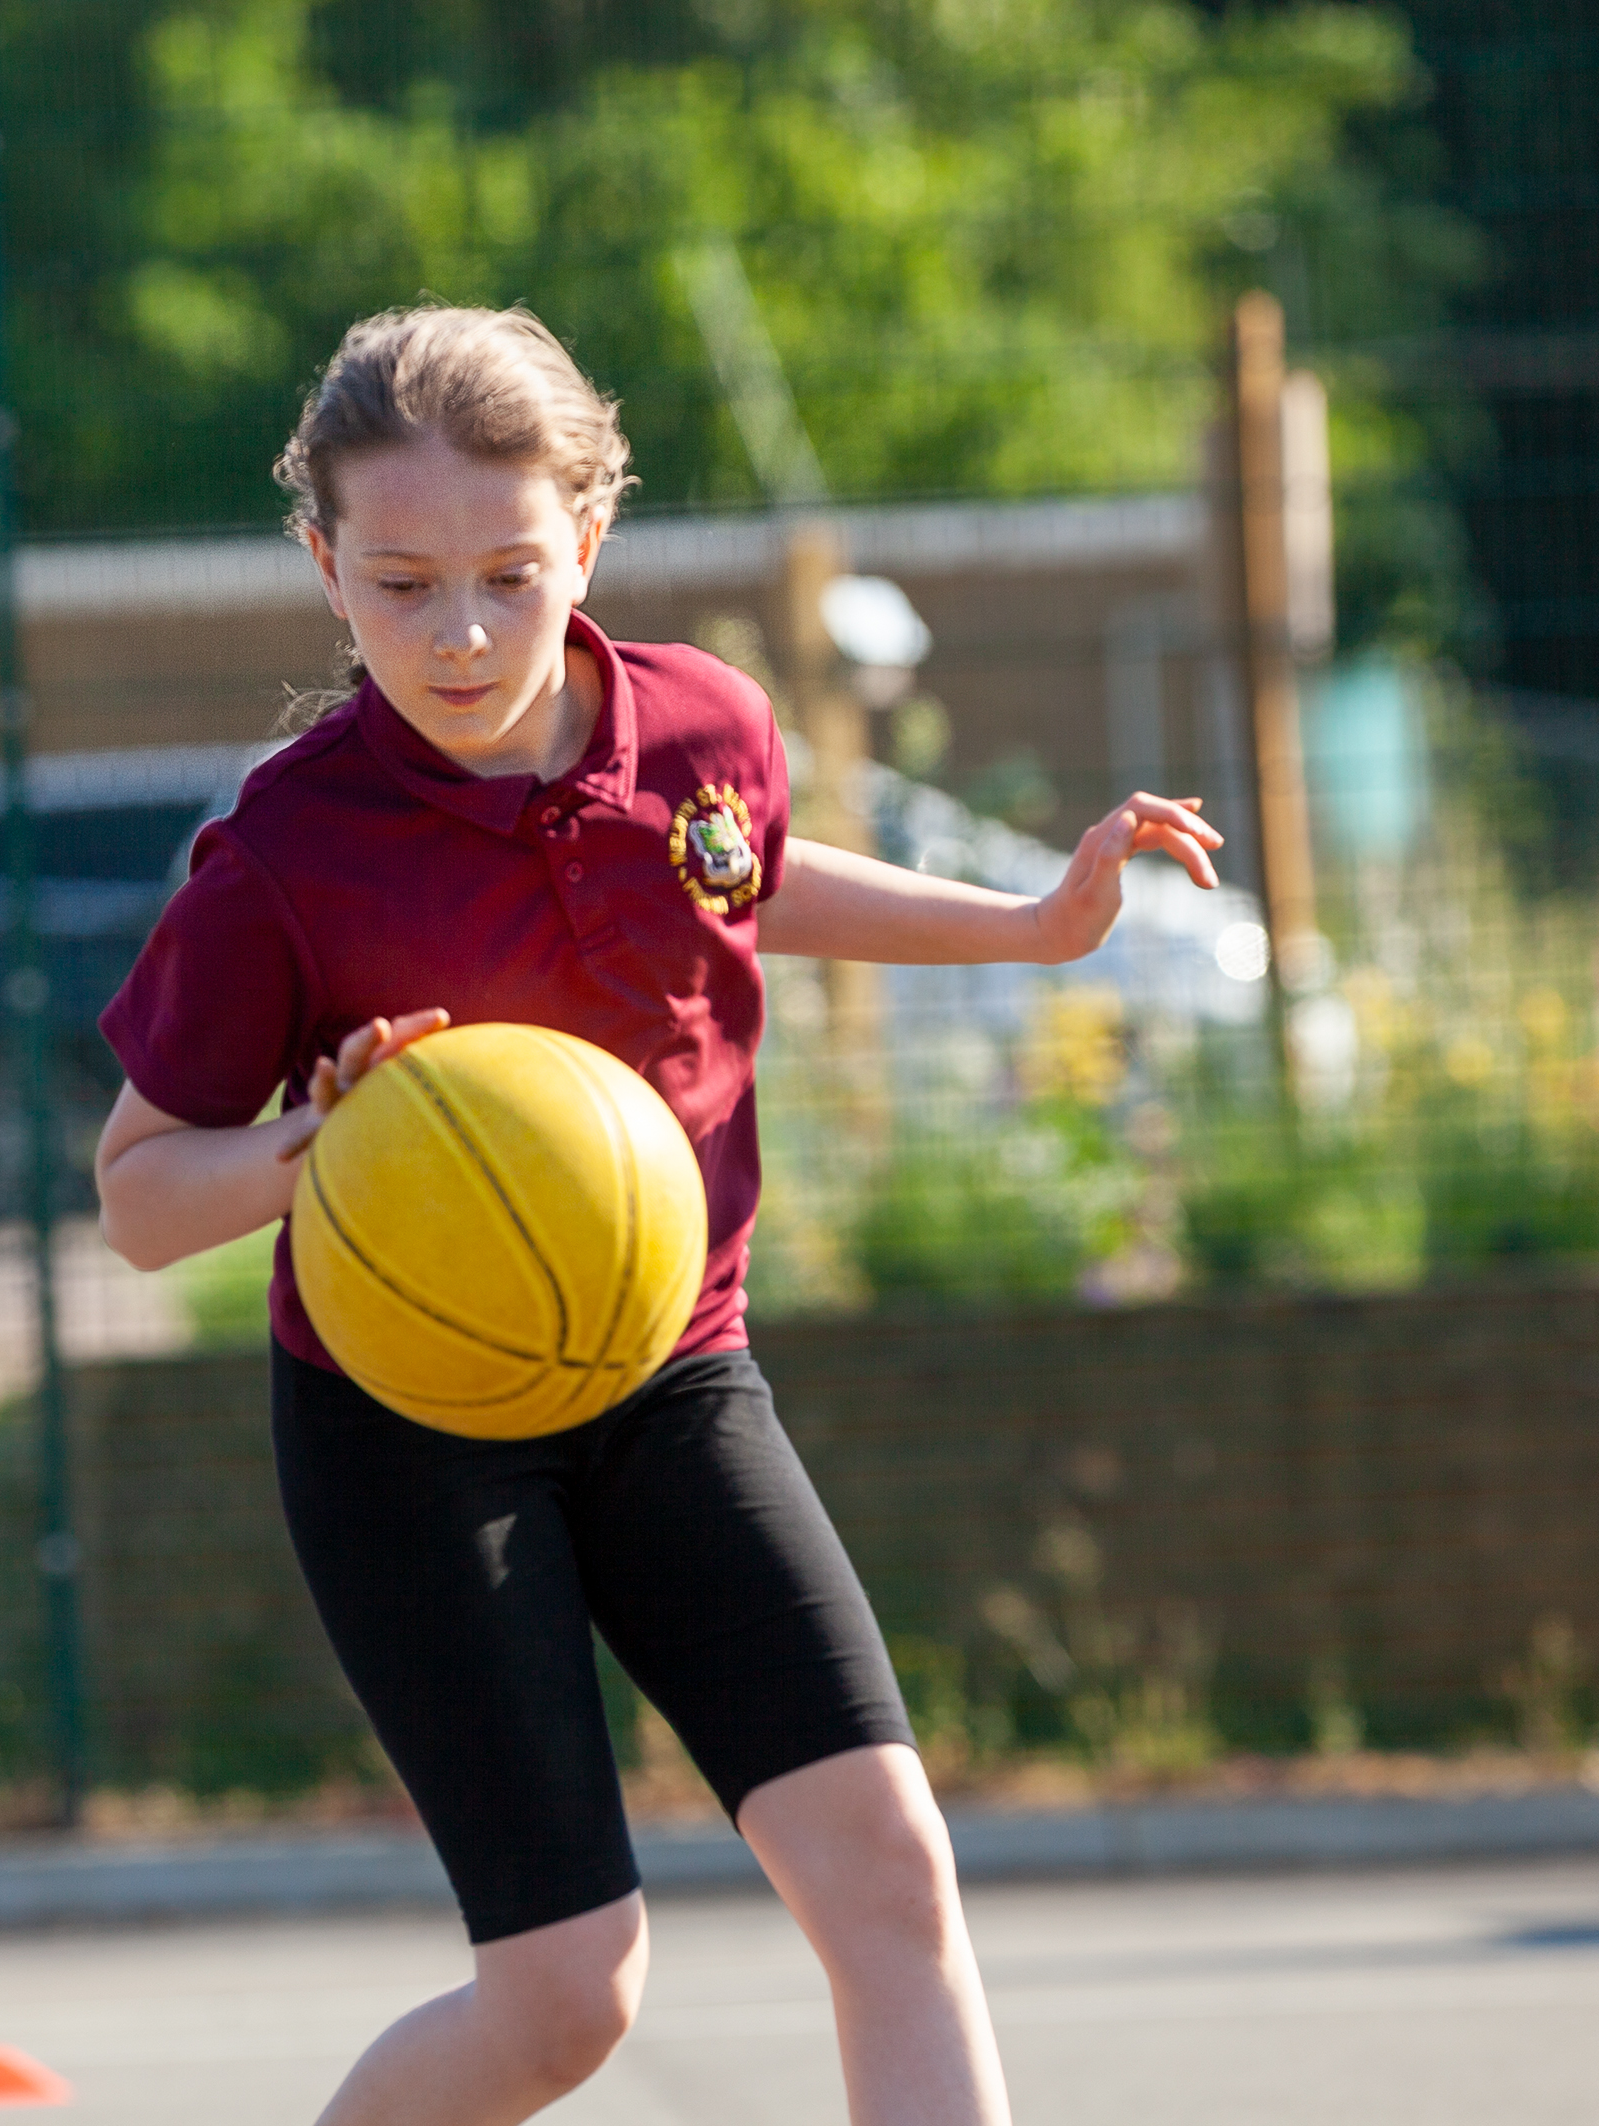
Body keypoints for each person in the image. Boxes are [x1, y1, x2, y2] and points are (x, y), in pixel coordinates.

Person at [93, 305, 1221, 2126]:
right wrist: (319, 1140)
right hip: (412, 1435)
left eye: (504, 574)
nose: (456, 631)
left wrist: (1023, 926)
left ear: (587, 539)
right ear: (320, 564)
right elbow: (137, 1200)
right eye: (397, 584)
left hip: (670, 1373)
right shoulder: (287, 858)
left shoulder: (701, 724)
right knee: (562, 2001)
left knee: (887, 1874)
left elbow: (744, 877)